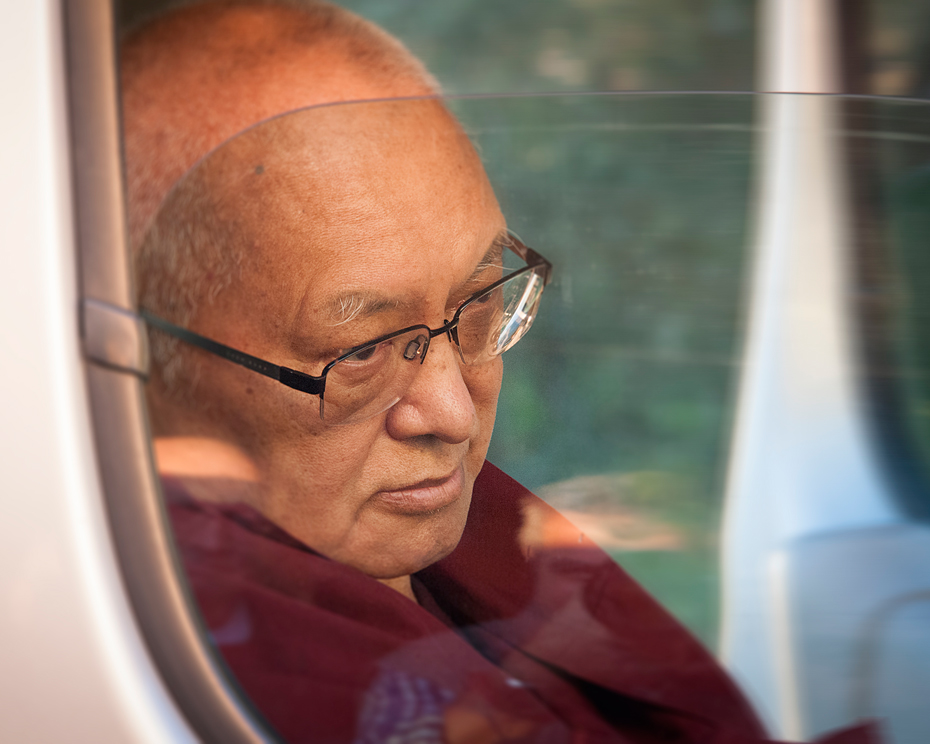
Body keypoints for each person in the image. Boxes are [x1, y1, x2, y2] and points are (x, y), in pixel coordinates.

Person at [123, 2, 880, 742]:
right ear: (150, 363)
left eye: (479, 302)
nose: (453, 413)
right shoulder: (187, 665)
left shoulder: (498, 557)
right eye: (361, 352)